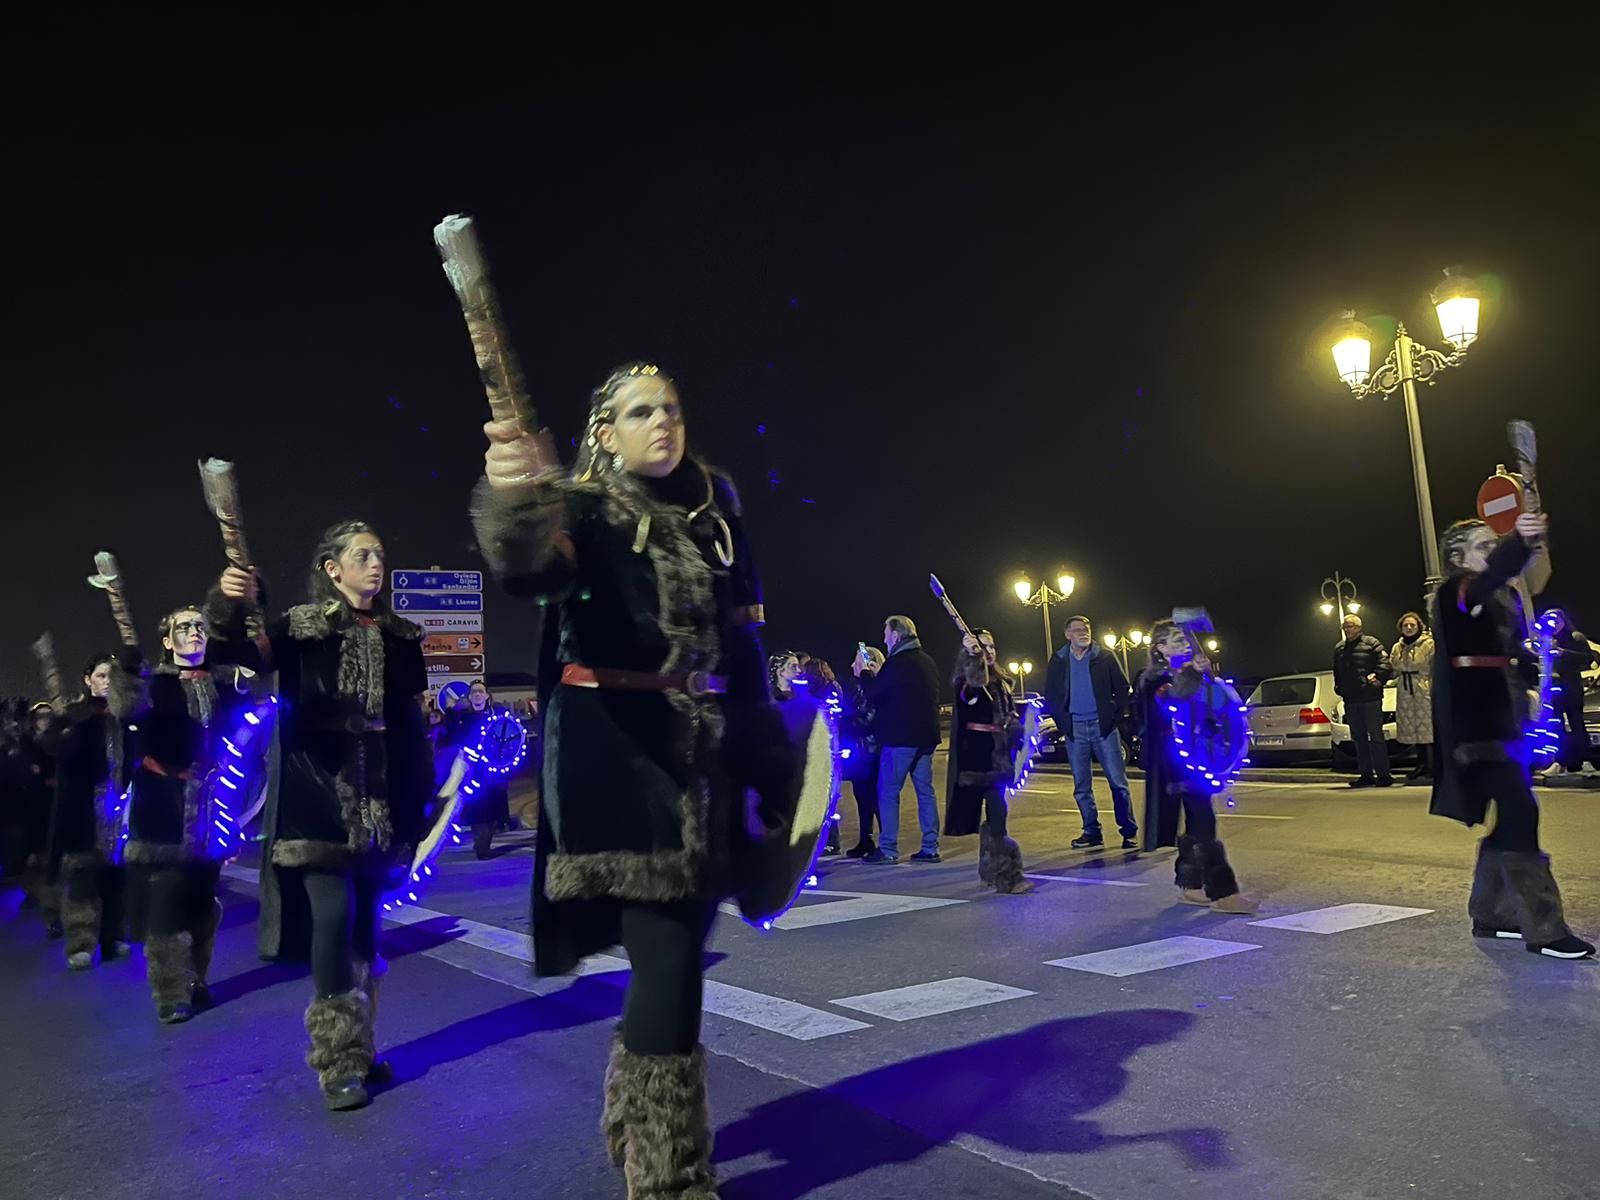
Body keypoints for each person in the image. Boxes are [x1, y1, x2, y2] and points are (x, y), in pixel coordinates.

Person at [472, 361, 793, 1195]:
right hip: (617, 760)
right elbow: (528, 563)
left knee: (678, 956)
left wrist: (769, 767)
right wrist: (513, 496)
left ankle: (633, 1107)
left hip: (707, 761)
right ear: (605, 432)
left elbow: (745, 652)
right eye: (641, 411)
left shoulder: (718, 513)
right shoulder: (580, 506)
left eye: (673, 408)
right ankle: (666, 1173)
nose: (664, 421)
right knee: (672, 961)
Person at [208, 519, 436, 1109]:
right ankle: (336, 1061)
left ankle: (360, 1049)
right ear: (333, 570)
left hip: (381, 798)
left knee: (365, 930)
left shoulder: (402, 636)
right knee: (333, 921)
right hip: (316, 798)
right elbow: (235, 652)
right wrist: (230, 606)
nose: (375, 564)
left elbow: (411, 728)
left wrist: (417, 807)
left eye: (380, 554)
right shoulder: (301, 628)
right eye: (362, 555)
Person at [1429, 512, 1593, 959]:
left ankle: (1491, 913)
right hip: (1478, 727)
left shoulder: (1497, 600)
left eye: (1493, 545)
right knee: (1522, 812)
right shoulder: (1457, 592)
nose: (1492, 553)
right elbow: (1491, 577)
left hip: (1505, 723)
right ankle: (1546, 929)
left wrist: (1529, 679)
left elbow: (1509, 652)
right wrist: (1519, 544)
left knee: (1513, 816)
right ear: (1458, 557)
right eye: (1484, 547)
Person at [122, 605, 248, 1023]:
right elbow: (128, 716)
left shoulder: (223, 683)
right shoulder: (151, 686)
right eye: (184, 627)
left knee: (201, 901)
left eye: (199, 626)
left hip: (211, 805)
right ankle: (169, 990)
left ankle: (196, 978)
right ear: (167, 639)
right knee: (166, 903)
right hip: (163, 803)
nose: (194, 632)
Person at [1136, 622, 1255, 913]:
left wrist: (1210, 679)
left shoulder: (1189, 674)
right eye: (1175, 640)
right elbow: (1172, 701)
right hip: (1174, 764)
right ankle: (1223, 893)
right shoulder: (1152, 678)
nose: (1184, 643)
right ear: (1159, 648)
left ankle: (1189, 884)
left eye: (1184, 638)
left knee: (1197, 820)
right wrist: (1194, 673)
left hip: (1197, 759)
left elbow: (1215, 705)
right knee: (1204, 822)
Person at [49, 651, 139, 970]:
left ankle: (114, 936)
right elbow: (62, 758)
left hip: (120, 806)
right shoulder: (76, 716)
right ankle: (81, 942)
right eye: (101, 676)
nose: (106, 682)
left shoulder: (125, 715)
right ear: (88, 680)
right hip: (85, 807)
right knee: (83, 876)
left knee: (116, 876)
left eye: (112, 676)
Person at [944, 629, 1033, 894]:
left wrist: (1017, 728)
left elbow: (1010, 714)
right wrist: (972, 658)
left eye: (992, 647)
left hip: (999, 758)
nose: (990, 652)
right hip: (979, 758)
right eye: (984, 647)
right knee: (996, 816)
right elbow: (971, 690)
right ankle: (1007, 875)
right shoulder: (968, 681)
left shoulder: (1002, 682)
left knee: (997, 814)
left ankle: (991, 867)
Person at [1044, 615, 1138, 849]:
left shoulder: (1104, 657)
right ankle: (1091, 831)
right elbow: (1052, 695)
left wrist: (1114, 716)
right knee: (1082, 785)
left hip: (1103, 727)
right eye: (1077, 630)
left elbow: (1122, 687)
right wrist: (1063, 722)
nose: (1083, 633)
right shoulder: (1058, 660)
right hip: (1075, 730)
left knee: (1118, 781)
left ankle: (1128, 831)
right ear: (1068, 635)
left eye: (1086, 629)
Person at [864, 615, 942, 864]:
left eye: (886, 633)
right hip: (926, 737)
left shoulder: (897, 663)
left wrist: (866, 675)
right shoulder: (926, 661)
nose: (884, 638)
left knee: (888, 792)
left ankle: (888, 848)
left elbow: (876, 696)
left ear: (896, 635)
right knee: (925, 792)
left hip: (900, 738)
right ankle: (930, 847)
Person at [442, 679, 513, 858]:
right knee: (475, 807)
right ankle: (481, 843)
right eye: (474, 692)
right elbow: (452, 734)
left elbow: (509, 737)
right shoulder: (464, 717)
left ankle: (484, 842)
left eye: (480, 691)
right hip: (471, 769)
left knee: (490, 808)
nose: (477, 694)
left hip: (492, 772)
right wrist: (451, 711)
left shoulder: (496, 715)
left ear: (487, 695)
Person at [1333, 614, 1394, 788]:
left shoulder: (1371, 643)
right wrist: (1339, 688)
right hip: (1351, 700)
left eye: (1350, 626)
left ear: (1359, 627)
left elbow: (1385, 664)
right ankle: (1366, 774)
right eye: (1345, 626)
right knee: (1358, 739)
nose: (1347, 629)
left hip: (1370, 698)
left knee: (1376, 738)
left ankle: (1384, 775)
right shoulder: (1339, 648)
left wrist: (1376, 679)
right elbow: (1337, 670)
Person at [1539, 610, 1597, 777]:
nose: (1553, 623)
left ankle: (1586, 762)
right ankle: (1560, 762)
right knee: (1557, 725)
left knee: (1577, 723)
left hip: (1571, 686)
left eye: (1556, 619)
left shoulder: (1575, 637)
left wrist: (1564, 653)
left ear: (1564, 620)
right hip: (1554, 687)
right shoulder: (1548, 639)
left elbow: (1588, 659)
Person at [841, 645, 884, 857]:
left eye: (857, 661)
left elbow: (868, 717)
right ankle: (865, 839)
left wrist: (843, 723)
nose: (852, 665)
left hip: (871, 749)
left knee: (874, 797)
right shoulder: (857, 686)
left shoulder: (871, 687)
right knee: (862, 797)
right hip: (862, 749)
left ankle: (885, 842)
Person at [1390, 613, 1437, 783]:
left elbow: (1434, 667)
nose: (1409, 628)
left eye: (1412, 625)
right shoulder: (1398, 647)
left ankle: (1434, 766)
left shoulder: (1429, 644)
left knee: (1429, 728)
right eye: (1405, 625)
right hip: (1405, 689)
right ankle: (1421, 765)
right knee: (1415, 729)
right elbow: (1393, 665)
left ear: (1419, 627)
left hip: (1424, 687)